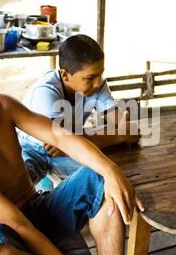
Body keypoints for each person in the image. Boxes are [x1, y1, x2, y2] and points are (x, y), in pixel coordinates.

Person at [0, 49, 144, 255]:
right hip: (4, 239)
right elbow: (15, 223)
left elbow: (59, 137)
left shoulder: (4, 107)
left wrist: (111, 170)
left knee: (99, 176)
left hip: (38, 215)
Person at [17, 34, 140, 187]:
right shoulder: (45, 92)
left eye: (100, 74)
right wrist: (116, 134)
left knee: (106, 180)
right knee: (16, 187)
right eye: (90, 78)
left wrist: (73, 140)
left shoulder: (97, 85)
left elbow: (132, 132)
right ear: (65, 75)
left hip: (68, 152)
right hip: (30, 148)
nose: (97, 83)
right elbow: (64, 144)